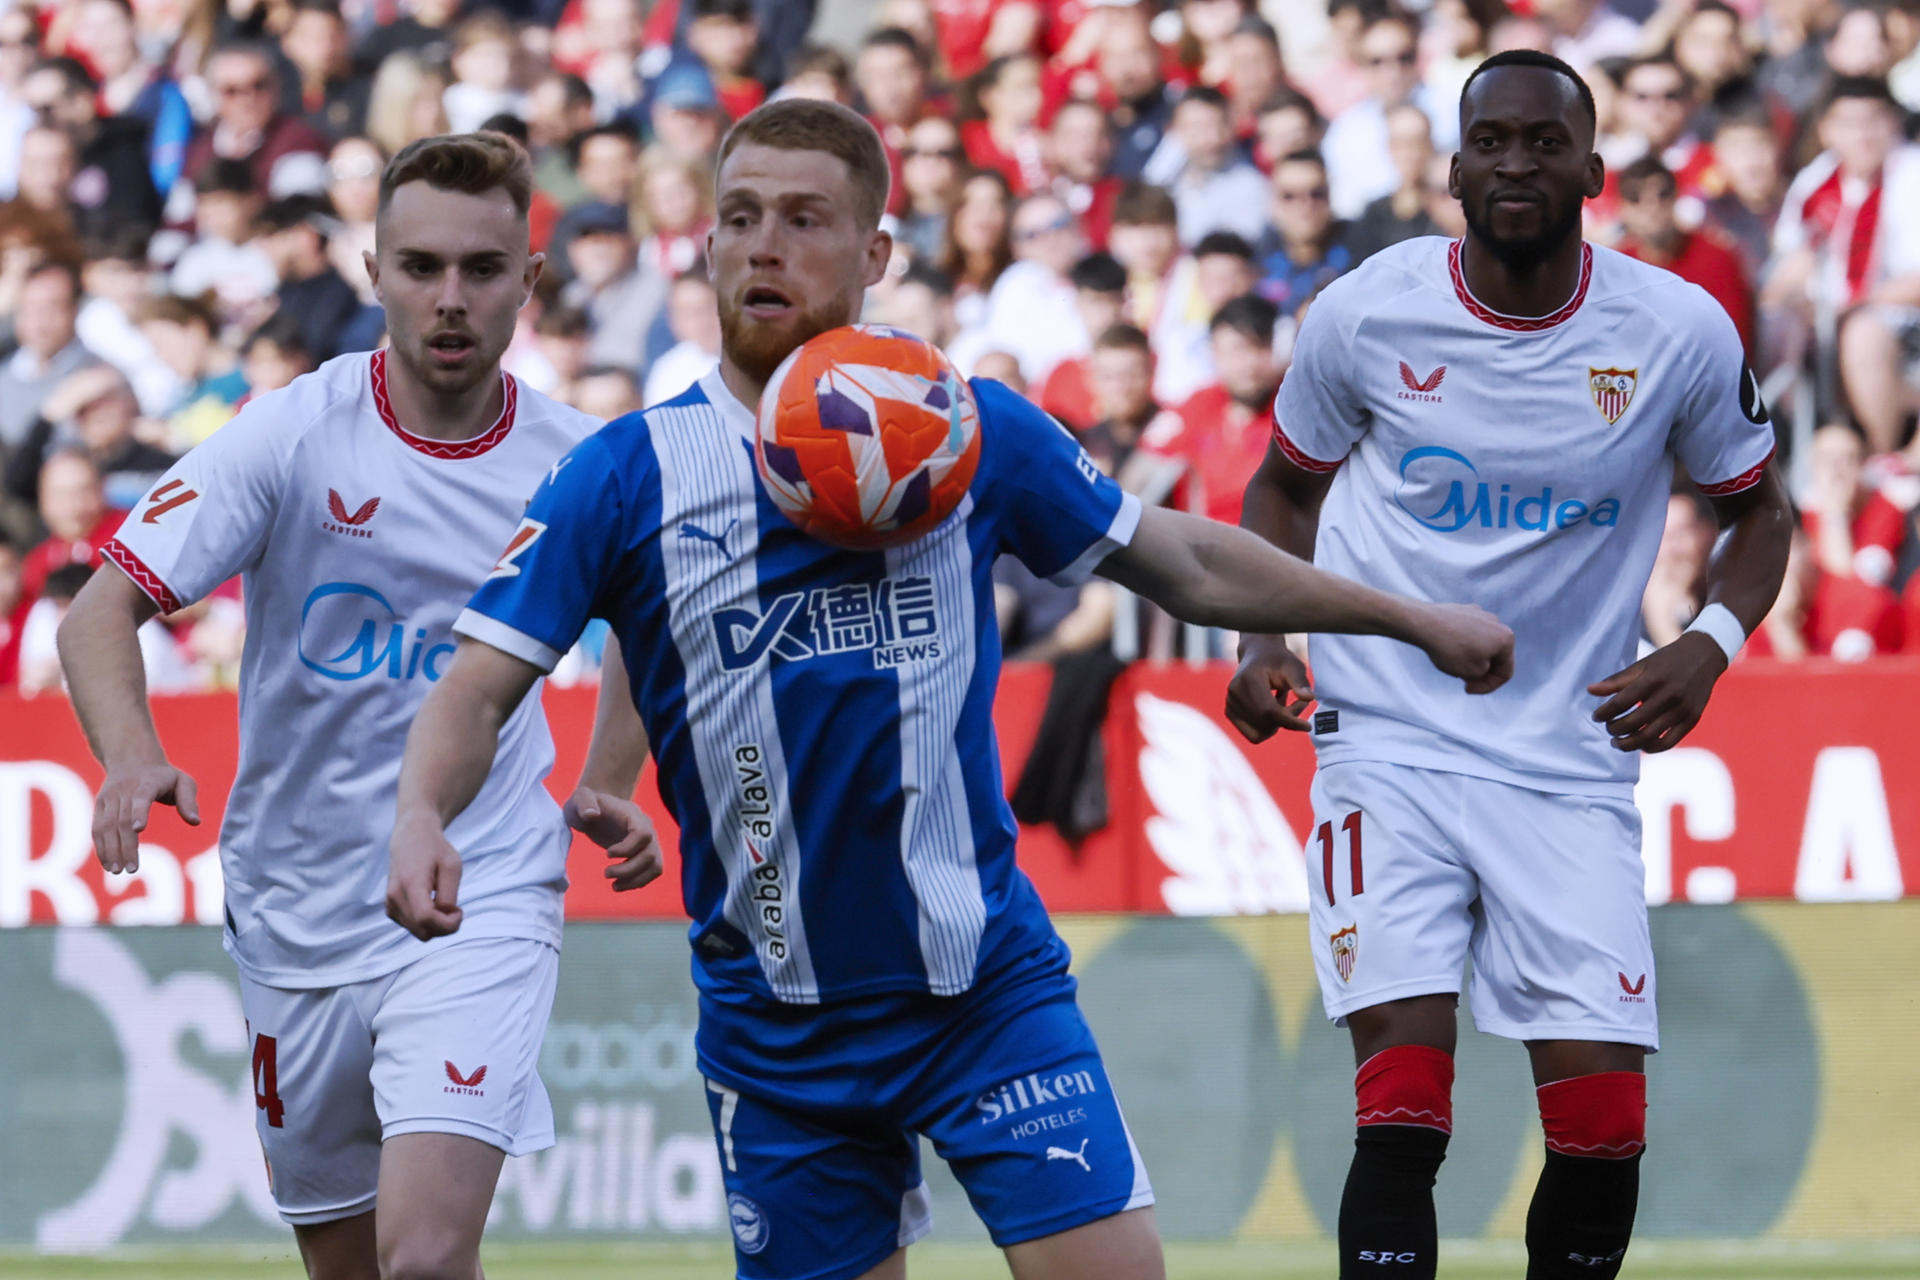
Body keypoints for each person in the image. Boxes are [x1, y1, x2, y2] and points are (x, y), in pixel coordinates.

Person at [388, 97, 1515, 1280]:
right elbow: (475, 688)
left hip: (982, 996)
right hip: (780, 1032)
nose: (764, 244)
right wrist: (424, 814)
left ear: (876, 253)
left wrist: (1407, 615)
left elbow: (1177, 555)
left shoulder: (962, 429)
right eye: (740, 217)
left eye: (805, 219)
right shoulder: (624, 474)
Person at [1226, 51, 1794, 1280]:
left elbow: (1762, 512)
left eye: (1545, 143)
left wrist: (1708, 642)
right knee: (1403, 1104)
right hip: (1387, 736)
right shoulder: (1367, 313)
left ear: (1593, 169)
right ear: (1453, 169)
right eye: (1493, 142)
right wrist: (1263, 636)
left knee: (1601, 1134)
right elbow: (1280, 488)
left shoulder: (1677, 329)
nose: (1518, 163)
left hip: (1570, 756)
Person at [54, 132, 661, 1280]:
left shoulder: (583, 460)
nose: (449, 297)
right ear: (373, 269)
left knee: (427, 1256)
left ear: (529, 283)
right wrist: (130, 752)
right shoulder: (290, 432)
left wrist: (608, 776)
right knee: (349, 1268)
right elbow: (95, 615)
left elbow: (647, 614)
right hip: (296, 906)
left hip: (479, 888)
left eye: (483, 270)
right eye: (420, 265)